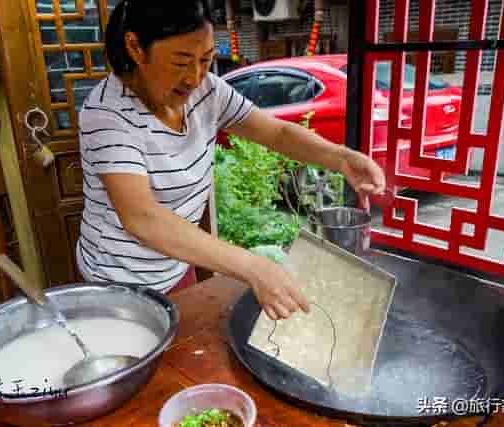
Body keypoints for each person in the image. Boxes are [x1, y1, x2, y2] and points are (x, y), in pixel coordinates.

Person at [76, 0, 385, 321]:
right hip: (118, 282)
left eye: (206, 60)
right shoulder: (106, 114)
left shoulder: (209, 92)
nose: (195, 78)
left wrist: (340, 157)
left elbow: (276, 133)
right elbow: (142, 217)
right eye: (181, 61)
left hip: (176, 263)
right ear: (135, 47)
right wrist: (251, 266)